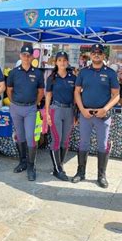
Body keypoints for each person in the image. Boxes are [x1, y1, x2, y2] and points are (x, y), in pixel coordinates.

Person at [73, 43, 119, 188]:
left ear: (104, 55)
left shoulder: (111, 73)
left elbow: (116, 95)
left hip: (102, 115)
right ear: (90, 55)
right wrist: (82, 109)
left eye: (99, 52)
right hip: (86, 114)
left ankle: (101, 176)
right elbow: (76, 92)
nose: (96, 54)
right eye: (94, 52)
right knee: (83, 143)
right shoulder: (83, 72)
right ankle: (80, 173)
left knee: (102, 145)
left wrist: (105, 109)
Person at [7, 44, 45, 181]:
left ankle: (31, 166)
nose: (26, 57)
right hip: (16, 108)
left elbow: (41, 92)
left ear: (32, 57)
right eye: (24, 55)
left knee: (30, 137)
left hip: (30, 109)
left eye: (29, 55)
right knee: (20, 137)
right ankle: (22, 162)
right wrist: (14, 102)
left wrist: (34, 103)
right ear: (20, 56)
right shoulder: (13, 72)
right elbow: (9, 90)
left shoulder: (38, 73)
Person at [44, 51, 76, 181]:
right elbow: (48, 96)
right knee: (56, 140)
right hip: (56, 110)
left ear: (67, 62)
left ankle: (60, 165)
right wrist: (47, 113)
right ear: (56, 62)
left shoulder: (73, 78)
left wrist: (76, 114)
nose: (62, 62)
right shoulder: (51, 78)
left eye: (64, 60)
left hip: (69, 111)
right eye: (59, 60)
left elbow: (75, 97)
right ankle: (58, 170)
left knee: (65, 141)